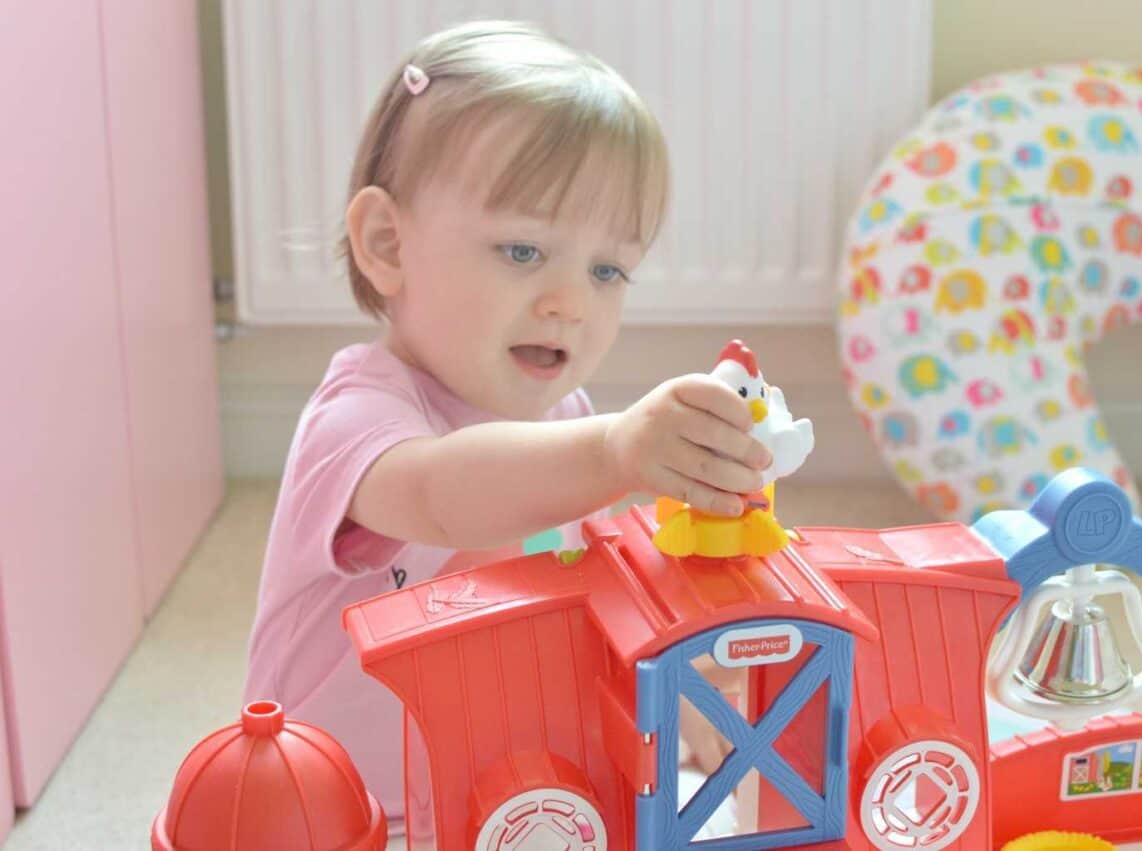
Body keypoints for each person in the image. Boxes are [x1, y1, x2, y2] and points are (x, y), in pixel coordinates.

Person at [243, 20, 771, 834]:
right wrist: (613, 451)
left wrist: (686, 672)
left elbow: (600, 593)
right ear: (388, 244)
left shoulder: (568, 424)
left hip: (498, 792)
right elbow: (444, 494)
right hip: (344, 810)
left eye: (607, 270)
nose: (572, 301)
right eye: (524, 251)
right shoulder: (357, 419)